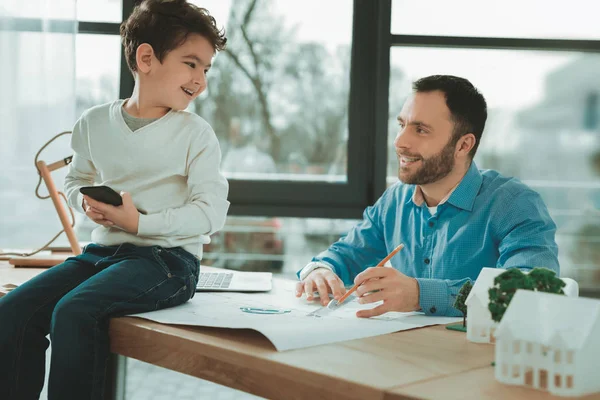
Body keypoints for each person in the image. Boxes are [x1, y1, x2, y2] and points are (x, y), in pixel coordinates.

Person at [0, 1, 229, 399]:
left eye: (206, 69)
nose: (201, 80)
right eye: (191, 64)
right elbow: (76, 180)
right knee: (13, 311)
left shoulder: (196, 134)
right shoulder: (93, 123)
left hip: (170, 261)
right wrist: (85, 203)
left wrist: (138, 224)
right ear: (146, 58)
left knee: (74, 312)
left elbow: (210, 214)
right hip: (102, 254)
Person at [295, 75, 559, 319]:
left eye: (420, 130)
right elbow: (347, 254)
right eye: (401, 125)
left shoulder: (514, 204)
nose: (399, 141)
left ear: (463, 145)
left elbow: (532, 292)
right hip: (404, 357)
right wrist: (322, 270)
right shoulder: (394, 201)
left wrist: (421, 295)